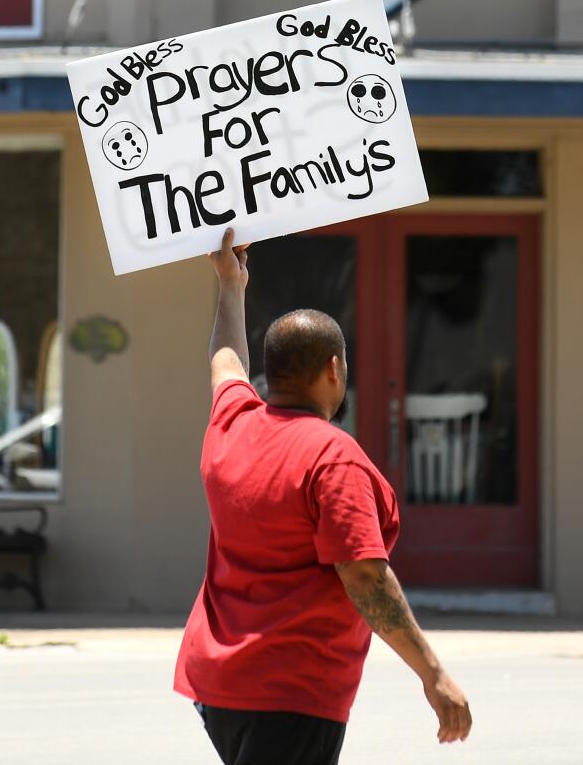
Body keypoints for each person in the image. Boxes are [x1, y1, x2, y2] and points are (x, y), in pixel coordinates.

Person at [173, 227, 473, 765]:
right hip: (290, 687)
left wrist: (229, 287)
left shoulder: (232, 423)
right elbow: (364, 575)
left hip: (216, 682)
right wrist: (433, 673)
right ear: (334, 369)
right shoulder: (333, 457)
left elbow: (225, 361)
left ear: (273, 373)